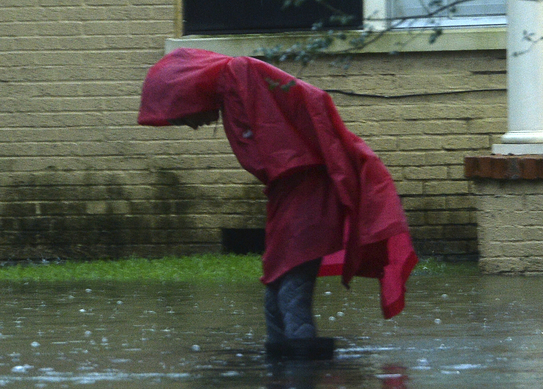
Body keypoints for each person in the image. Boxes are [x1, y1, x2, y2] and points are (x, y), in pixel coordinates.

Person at [137, 48, 418, 359]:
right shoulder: (232, 91)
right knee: (277, 285)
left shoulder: (241, 72)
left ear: (188, 94)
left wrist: (321, 157)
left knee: (291, 280)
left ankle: (301, 368)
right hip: (292, 194)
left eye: (181, 116)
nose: (189, 125)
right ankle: (290, 362)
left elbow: (312, 99)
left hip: (309, 192)